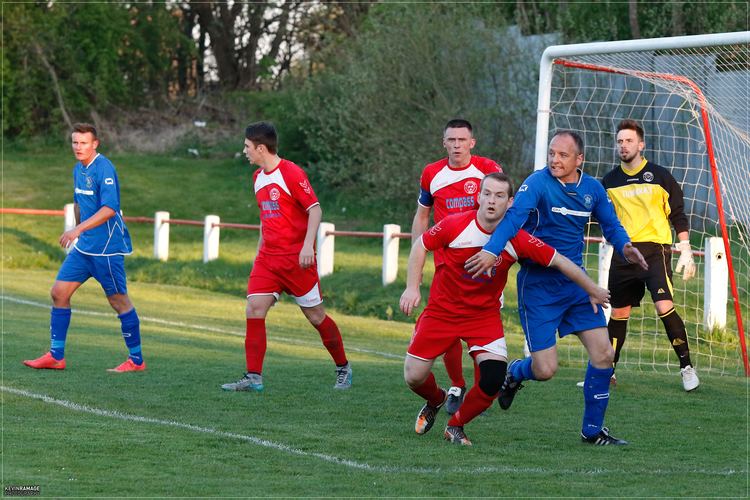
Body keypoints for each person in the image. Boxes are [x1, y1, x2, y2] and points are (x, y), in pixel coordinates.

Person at [465, 130, 648, 446]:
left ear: (580, 159)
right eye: (552, 153)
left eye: (563, 155)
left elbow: (610, 224)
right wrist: (492, 249)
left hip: (575, 287)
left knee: (604, 353)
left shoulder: (592, 189)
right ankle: (516, 373)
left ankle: (592, 432)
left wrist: (624, 245)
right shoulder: (536, 184)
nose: (554, 159)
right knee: (546, 369)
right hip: (538, 289)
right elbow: (512, 220)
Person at [400, 173, 611, 446]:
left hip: (483, 317)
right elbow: (421, 246)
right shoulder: (455, 225)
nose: (491, 201)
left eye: (499, 196)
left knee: (493, 378)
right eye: (486, 193)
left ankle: (456, 425)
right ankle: (437, 398)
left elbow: (560, 261)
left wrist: (592, 288)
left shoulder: (516, 238)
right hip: (442, 312)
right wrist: (412, 287)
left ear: (510, 202)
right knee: (414, 377)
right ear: (478, 196)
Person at [221, 121, 352, 392]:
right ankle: (253, 378)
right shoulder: (258, 177)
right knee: (254, 308)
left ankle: (343, 367)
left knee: (316, 317)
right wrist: (260, 252)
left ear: (261, 148)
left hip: (297, 260)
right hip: (268, 259)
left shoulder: (291, 173)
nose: (244, 151)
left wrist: (307, 247)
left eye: (247, 147)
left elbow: (315, 210)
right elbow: (265, 218)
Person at [23, 123, 145, 373]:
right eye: (75, 142)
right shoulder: (78, 169)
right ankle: (56, 356)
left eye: (83, 143)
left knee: (119, 301)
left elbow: (109, 208)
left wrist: (77, 230)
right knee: (59, 293)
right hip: (85, 248)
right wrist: (79, 229)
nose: (78, 147)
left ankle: (136, 360)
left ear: (95, 144)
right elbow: (79, 202)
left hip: (107, 250)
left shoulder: (104, 168)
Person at [411, 118, 502, 415]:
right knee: (447, 326)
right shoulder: (432, 173)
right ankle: (456, 384)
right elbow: (422, 216)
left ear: (472, 143)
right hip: (446, 263)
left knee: (481, 326)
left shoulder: (487, 168)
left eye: (462, 140)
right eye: (451, 140)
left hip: (483, 262)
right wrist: (417, 256)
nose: (457, 145)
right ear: (444, 143)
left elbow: (503, 206)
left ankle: (479, 392)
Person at [602, 119, 699, 391]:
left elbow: (677, 213)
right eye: (620, 141)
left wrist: (685, 248)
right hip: (624, 253)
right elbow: (604, 217)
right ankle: (607, 372)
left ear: (641, 144)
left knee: (663, 306)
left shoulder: (660, 175)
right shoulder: (609, 181)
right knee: (618, 312)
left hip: (655, 251)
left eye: (629, 140)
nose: (623, 145)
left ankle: (686, 368)